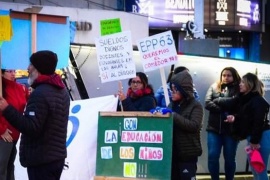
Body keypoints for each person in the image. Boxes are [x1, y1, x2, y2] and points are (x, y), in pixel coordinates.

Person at [0, 50, 70, 180]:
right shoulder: (62, 91)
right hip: (55, 157)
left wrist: (7, 109)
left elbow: (31, 127)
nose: (27, 68)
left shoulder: (41, 93)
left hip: (42, 159)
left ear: (38, 68)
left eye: (31, 64)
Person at [226, 73, 270, 180]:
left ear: (250, 84)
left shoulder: (258, 100)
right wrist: (235, 117)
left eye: (242, 82)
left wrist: (254, 141)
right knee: (255, 168)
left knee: (259, 169)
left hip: (260, 137)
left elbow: (258, 122)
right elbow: (247, 117)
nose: (240, 85)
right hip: (255, 137)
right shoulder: (248, 100)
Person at [204, 67, 241, 180]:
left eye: (229, 75)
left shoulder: (239, 88)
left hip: (231, 130)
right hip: (214, 129)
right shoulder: (214, 86)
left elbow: (236, 103)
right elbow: (207, 103)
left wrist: (218, 100)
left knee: (230, 159)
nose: (226, 77)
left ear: (234, 76)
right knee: (212, 157)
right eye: (224, 75)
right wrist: (222, 110)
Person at [169, 71, 203, 180]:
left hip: (187, 153)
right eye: (171, 89)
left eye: (175, 89)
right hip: (172, 153)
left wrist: (173, 116)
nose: (172, 92)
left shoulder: (196, 106)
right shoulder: (172, 104)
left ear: (183, 90)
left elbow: (194, 125)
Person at [0, 69, 28, 180]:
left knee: (10, 168)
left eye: (14, 71)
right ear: (1, 73)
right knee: (1, 170)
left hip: (16, 135)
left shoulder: (21, 88)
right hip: (4, 136)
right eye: (9, 71)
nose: (13, 73)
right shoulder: (2, 88)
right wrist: (1, 129)